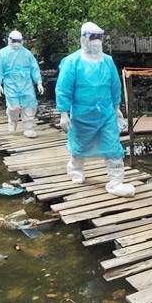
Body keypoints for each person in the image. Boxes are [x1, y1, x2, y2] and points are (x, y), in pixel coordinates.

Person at [55, 22, 135, 198]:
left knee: (113, 146)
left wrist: (116, 107)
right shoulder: (72, 62)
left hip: (106, 114)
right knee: (80, 145)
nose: (97, 41)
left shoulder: (107, 61)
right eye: (93, 37)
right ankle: (75, 169)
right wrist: (63, 113)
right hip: (82, 115)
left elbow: (115, 85)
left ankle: (116, 182)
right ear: (84, 38)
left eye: (100, 37)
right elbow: (63, 88)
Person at [0, 30, 44, 138]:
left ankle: (28, 128)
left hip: (26, 84)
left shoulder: (27, 54)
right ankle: (12, 120)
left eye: (19, 41)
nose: (16, 43)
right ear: (9, 40)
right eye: (14, 41)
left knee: (29, 105)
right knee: (13, 107)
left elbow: (34, 68)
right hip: (10, 84)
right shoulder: (2, 53)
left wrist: (38, 82)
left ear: (22, 41)